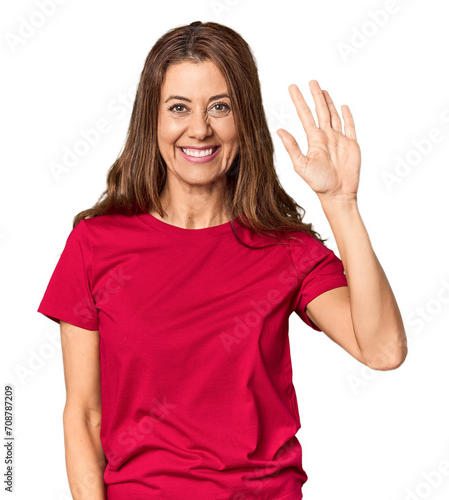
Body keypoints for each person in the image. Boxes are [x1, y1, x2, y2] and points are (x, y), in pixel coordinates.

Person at [37, 20, 408, 500]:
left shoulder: (286, 249)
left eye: (220, 107)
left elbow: (383, 350)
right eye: (178, 108)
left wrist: (340, 203)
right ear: (151, 119)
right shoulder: (96, 244)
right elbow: (85, 417)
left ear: (245, 119)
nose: (199, 129)